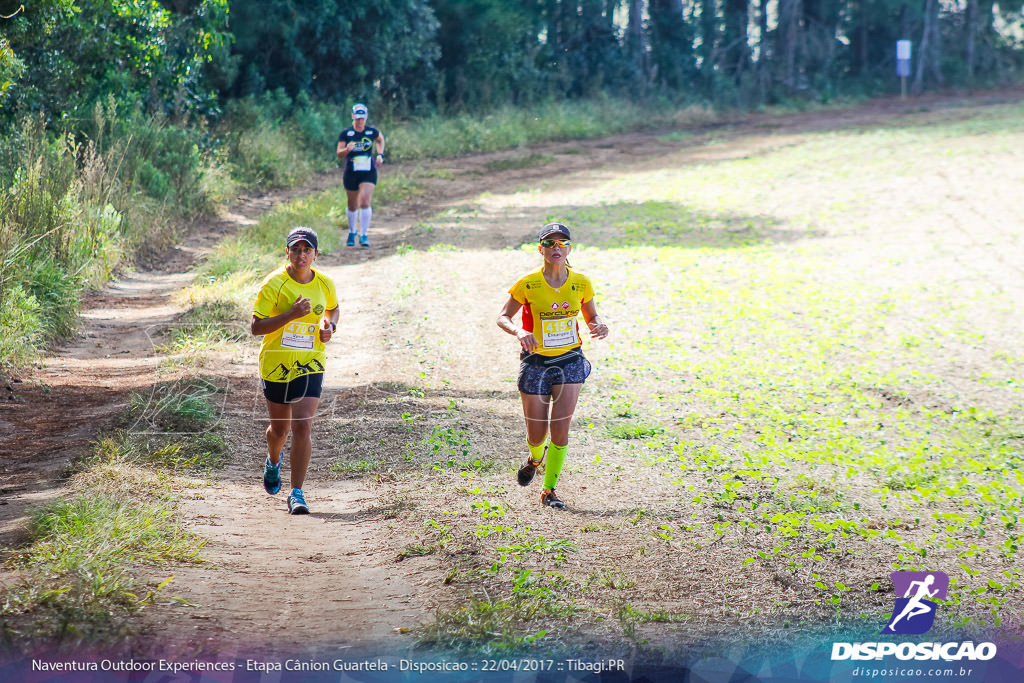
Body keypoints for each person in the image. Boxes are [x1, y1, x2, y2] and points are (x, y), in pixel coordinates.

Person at [497, 223, 609, 509]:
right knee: (537, 435)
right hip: (535, 362)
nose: (556, 248)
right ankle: (535, 458)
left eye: (562, 243)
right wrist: (519, 332)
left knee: (560, 431)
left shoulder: (581, 282)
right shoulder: (528, 284)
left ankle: (549, 490)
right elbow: (503, 317)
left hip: (570, 359)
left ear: (569, 248)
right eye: (549, 244)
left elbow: (591, 316)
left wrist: (598, 325)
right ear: (541, 249)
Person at [251, 227, 339, 514]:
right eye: (295, 249)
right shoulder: (273, 283)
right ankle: (273, 460)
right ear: (286, 251)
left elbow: (333, 309)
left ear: (316, 254)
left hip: (311, 362)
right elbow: (256, 327)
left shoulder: (325, 283)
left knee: (303, 424)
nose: (301, 255)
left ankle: (297, 493)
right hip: (276, 363)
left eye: (307, 250)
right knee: (280, 429)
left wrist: (330, 326)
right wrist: (290, 315)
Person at [336, 103, 385, 248]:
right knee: (352, 205)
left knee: (364, 201)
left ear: (366, 117)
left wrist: (380, 154)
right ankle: (352, 232)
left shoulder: (371, 131)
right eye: (357, 118)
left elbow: (380, 139)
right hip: (351, 172)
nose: (360, 121)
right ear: (353, 117)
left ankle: (364, 234)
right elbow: (339, 153)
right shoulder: (346, 133)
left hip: (368, 172)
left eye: (362, 118)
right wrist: (347, 150)